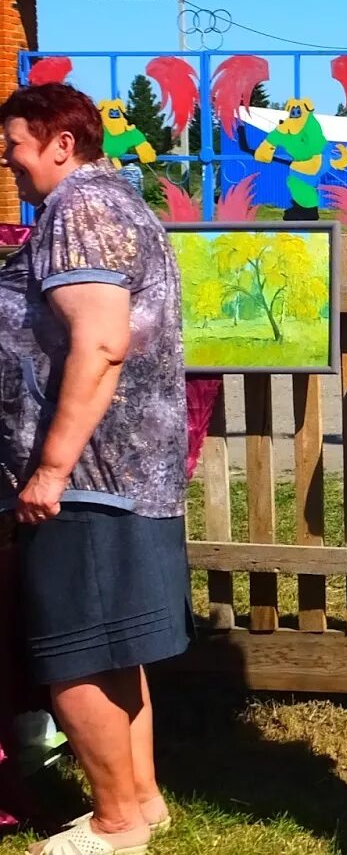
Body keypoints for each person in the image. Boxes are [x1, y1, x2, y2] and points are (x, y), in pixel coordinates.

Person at [0, 82, 190, 855]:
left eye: (14, 147)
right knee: (113, 645)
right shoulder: (113, 202)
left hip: (86, 477)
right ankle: (138, 803)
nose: (8, 164)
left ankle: (113, 821)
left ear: (61, 143)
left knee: (72, 652)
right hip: (120, 474)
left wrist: (48, 467)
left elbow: (101, 338)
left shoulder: (81, 209)